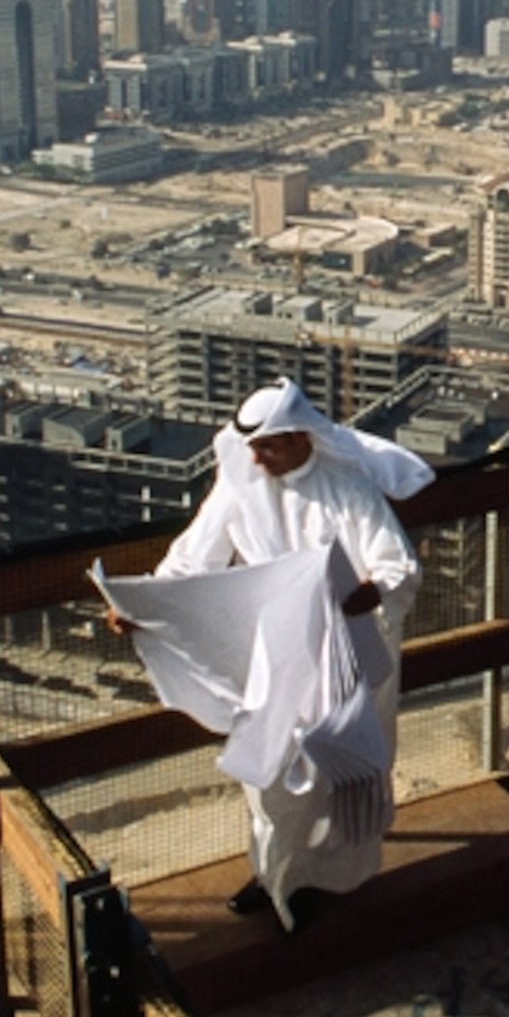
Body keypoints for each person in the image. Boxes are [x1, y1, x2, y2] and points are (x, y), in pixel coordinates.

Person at [95, 380, 432, 927]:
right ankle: (274, 875)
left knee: (343, 769)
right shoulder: (237, 488)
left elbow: (395, 565)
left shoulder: (347, 487)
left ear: (300, 439)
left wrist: (361, 593)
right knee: (270, 771)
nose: (256, 457)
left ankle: (333, 876)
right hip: (274, 654)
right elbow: (190, 562)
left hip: (346, 650)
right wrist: (140, 607)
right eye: (251, 447)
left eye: (269, 446)